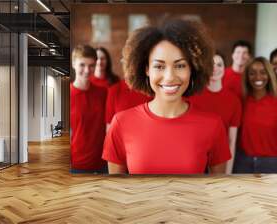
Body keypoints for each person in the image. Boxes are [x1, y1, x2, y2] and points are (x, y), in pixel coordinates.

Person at [102, 18, 231, 174]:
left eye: (180, 65)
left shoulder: (213, 125)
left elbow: (219, 190)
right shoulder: (121, 123)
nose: (169, 76)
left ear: (192, 69)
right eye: (159, 66)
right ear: (146, 69)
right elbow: (116, 190)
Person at [189, 52, 242, 174]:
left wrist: (228, 173)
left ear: (224, 68)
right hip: (196, 159)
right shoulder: (192, 97)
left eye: (219, 64)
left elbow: (231, 140)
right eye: (210, 64)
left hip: (220, 160)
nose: (215, 68)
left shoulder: (234, 101)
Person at [233, 57, 277, 173]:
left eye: (263, 72)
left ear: (269, 75)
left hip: (270, 163)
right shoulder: (240, 102)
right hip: (242, 162)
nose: (258, 77)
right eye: (252, 73)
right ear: (247, 76)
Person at [70, 45, 107, 174]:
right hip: (76, 166)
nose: (87, 70)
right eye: (82, 65)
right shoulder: (68, 95)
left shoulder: (103, 93)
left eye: (91, 65)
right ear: (74, 64)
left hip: (103, 164)